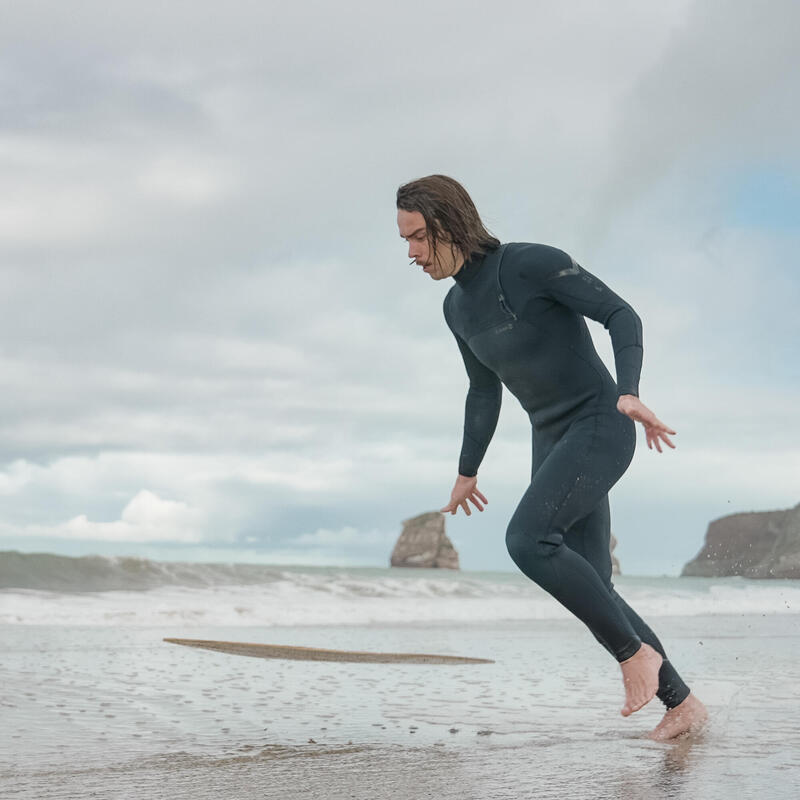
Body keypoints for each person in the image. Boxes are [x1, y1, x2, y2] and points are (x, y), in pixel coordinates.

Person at [396, 174, 708, 740]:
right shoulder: (455, 308)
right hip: (552, 436)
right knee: (594, 584)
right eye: (406, 242)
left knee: (527, 541)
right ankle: (682, 705)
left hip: (599, 422)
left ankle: (633, 656)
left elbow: (621, 314)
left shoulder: (531, 264)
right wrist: (468, 471)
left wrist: (629, 390)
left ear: (448, 223)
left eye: (418, 238)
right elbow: (483, 390)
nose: (412, 254)